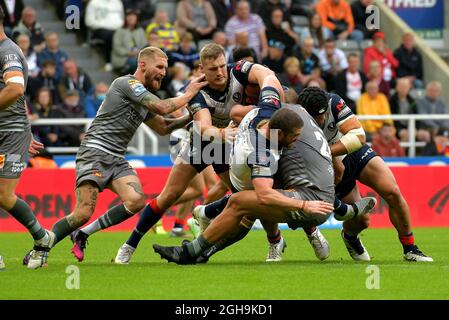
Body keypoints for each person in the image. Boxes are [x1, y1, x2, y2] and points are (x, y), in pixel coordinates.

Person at [24, 47, 207, 269]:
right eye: (159, 67)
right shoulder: (126, 84)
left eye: (166, 68)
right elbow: (161, 106)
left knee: (136, 200)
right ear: (142, 65)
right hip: (94, 152)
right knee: (83, 212)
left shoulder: (143, 97)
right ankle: (40, 248)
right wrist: (189, 94)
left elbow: (162, 127)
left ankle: (83, 234)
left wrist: (192, 115)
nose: (163, 72)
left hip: (117, 158)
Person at [112, 43, 286, 264]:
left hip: (231, 141)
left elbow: (266, 74)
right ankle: (129, 246)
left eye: (222, 66)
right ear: (202, 68)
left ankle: (274, 241)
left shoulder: (238, 70)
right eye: (213, 69)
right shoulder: (196, 91)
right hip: (205, 142)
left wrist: (268, 97)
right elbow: (203, 127)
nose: (220, 72)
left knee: (250, 194)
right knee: (168, 196)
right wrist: (222, 133)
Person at [152, 97, 337, 265]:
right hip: (297, 192)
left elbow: (235, 112)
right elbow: (264, 194)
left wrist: (305, 205)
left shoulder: (256, 115)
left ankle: (193, 249)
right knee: (243, 204)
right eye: (294, 136)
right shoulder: (263, 154)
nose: (296, 141)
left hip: (308, 198)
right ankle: (200, 249)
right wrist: (304, 205)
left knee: (239, 202)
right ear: (279, 133)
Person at [297, 86, 433, 262]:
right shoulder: (296, 119)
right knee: (363, 221)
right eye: (316, 117)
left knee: (392, 191)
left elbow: (358, 136)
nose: (322, 119)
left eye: (323, 114)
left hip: (350, 150)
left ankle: (410, 248)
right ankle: (350, 237)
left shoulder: (333, 101)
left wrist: (328, 151)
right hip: (326, 164)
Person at [0, 7, 51, 269]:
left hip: (9, 132)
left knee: (4, 195)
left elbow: (15, 89)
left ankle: (42, 238)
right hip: (8, 129)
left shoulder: (7, 51)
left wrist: (22, 131)